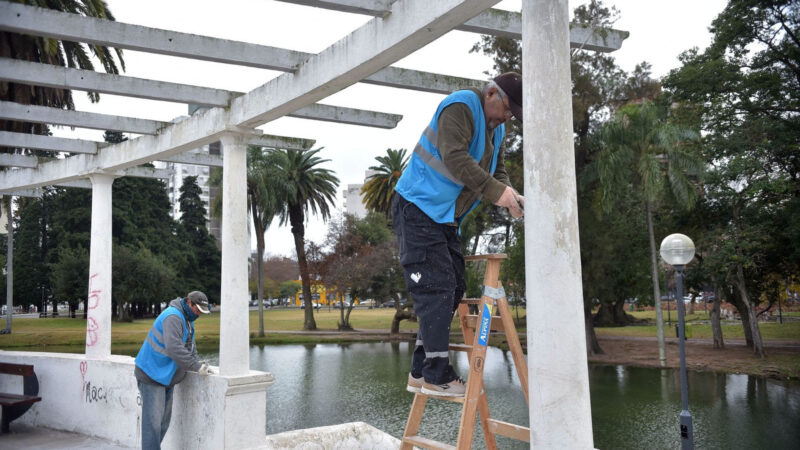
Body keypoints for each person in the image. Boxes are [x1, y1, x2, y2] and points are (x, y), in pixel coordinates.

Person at [392, 72, 525, 398]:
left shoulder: (498, 127)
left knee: (454, 289)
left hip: (443, 217)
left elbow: (496, 169)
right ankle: (438, 375)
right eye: (507, 109)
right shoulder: (461, 106)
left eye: (512, 116)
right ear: (491, 92)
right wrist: (497, 194)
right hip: (417, 207)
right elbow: (455, 157)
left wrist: (510, 194)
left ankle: (420, 372)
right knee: (436, 287)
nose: (507, 117)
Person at [134, 291, 214, 449]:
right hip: (151, 374)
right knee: (153, 426)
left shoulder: (188, 319)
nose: (199, 314)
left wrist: (199, 364)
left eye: (201, 312)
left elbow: (190, 347)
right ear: (189, 302)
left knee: (163, 423)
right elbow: (174, 348)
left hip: (165, 376)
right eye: (197, 310)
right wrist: (196, 367)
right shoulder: (173, 317)